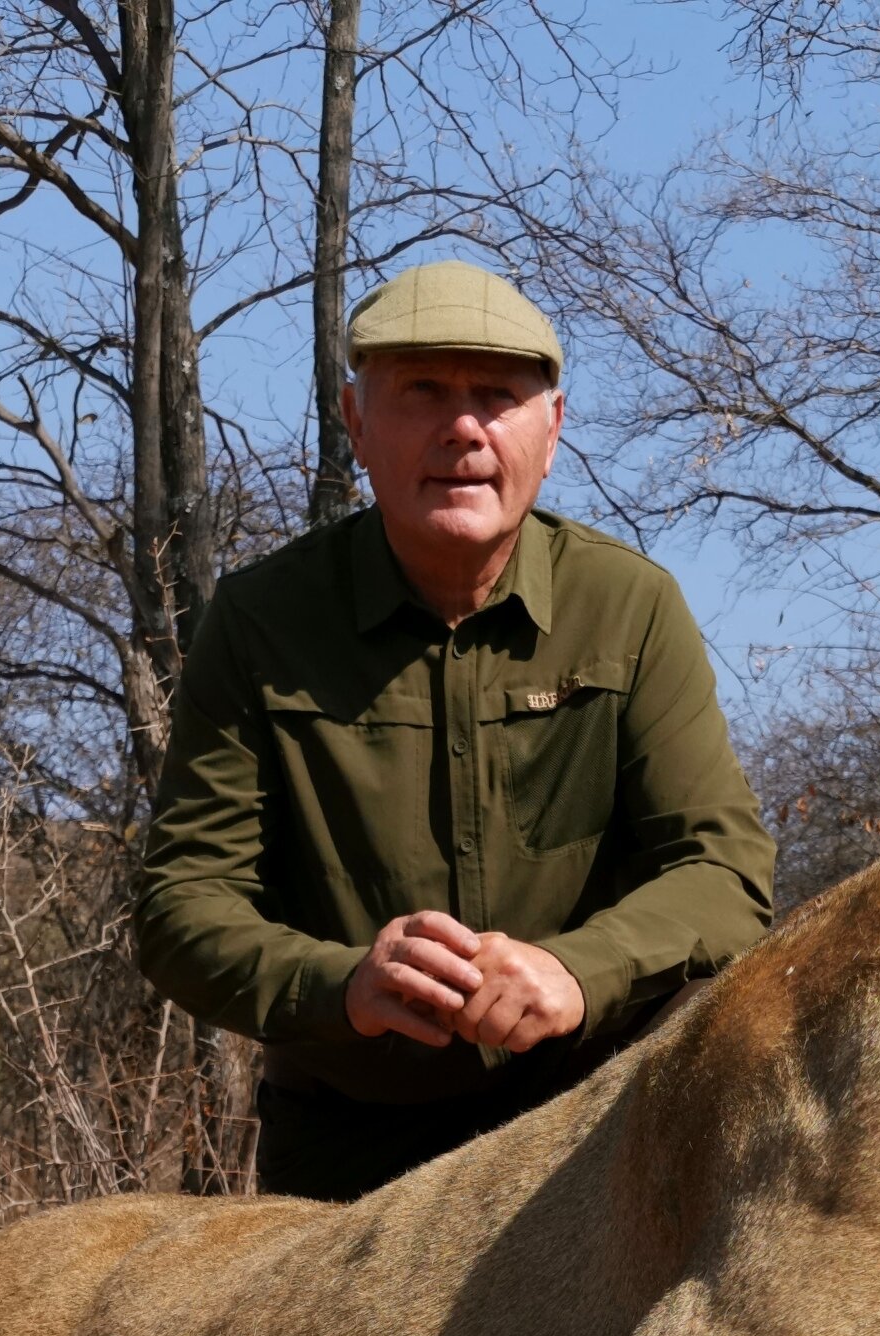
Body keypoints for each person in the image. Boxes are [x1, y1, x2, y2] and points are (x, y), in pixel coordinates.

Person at [133, 260, 776, 1201]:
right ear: (357, 422)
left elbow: (725, 872)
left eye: (497, 397)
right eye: (422, 391)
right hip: (347, 1141)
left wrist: (574, 970)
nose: (464, 429)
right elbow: (182, 906)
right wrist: (343, 986)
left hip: (598, 1120)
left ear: (550, 431)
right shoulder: (261, 621)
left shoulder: (631, 609)